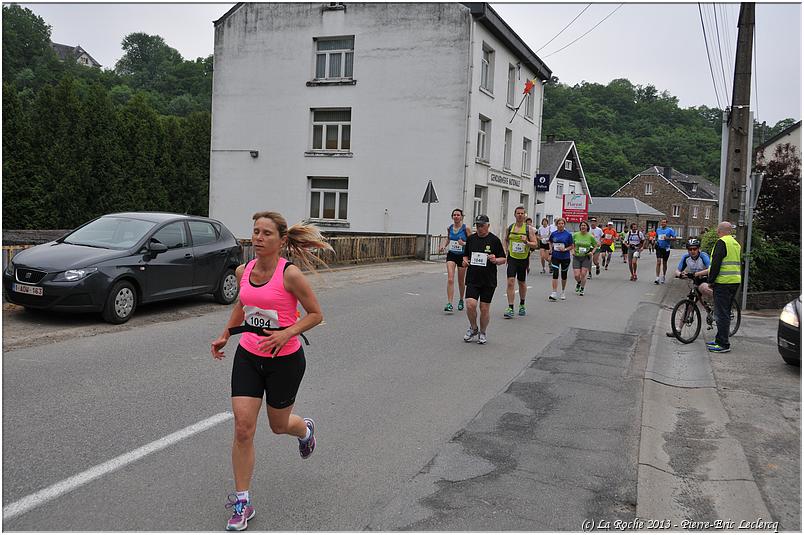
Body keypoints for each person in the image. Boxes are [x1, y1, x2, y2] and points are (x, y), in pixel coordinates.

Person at [211, 211, 332, 531]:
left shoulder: (290, 275)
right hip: (249, 355)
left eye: (266, 233)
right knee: (243, 428)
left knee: (278, 426)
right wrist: (226, 333)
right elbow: (243, 304)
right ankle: (242, 501)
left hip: (285, 360)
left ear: (281, 241)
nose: (259, 238)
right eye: (256, 232)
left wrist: (287, 332)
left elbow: (316, 314)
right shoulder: (244, 270)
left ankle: (304, 431)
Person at [462, 214, 506, 344]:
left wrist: (495, 260)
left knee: (484, 308)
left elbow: (503, 259)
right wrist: (465, 261)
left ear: (488, 226)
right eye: (477, 225)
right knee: (470, 305)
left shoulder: (494, 240)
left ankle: (483, 332)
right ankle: (474, 328)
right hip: (472, 278)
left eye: (482, 225)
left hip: (488, 280)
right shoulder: (471, 239)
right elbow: (465, 256)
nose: (479, 228)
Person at [703, 221, 742, 353]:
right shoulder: (735, 243)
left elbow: (716, 263)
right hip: (734, 281)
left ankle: (723, 344)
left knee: (722, 313)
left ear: (719, 231)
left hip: (723, 282)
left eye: (717, 231)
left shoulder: (721, 242)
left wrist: (710, 281)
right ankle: (719, 339)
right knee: (725, 311)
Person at [503, 206, 537, 318]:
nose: (520, 215)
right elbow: (506, 239)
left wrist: (526, 242)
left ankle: (522, 304)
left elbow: (535, 244)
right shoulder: (510, 228)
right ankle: (510, 307)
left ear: (525, 215)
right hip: (512, 258)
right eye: (518, 213)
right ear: (515, 214)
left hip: (523, 259)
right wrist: (506, 251)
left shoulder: (529, 229)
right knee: (510, 282)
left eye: (522, 213)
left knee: (521, 282)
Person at [438, 208, 471, 313]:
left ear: (461, 217)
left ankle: (461, 299)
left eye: (458, 215)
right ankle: (450, 303)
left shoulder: (466, 228)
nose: (456, 217)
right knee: (450, 279)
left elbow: (472, 242)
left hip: (462, 256)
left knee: (461, 281)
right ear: (452, 217)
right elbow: (448, 238)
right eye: (454, 215)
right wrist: (443, 245)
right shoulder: (450, 228)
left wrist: (464, 244)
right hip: (451, 255)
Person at [548, 217, 574, 301]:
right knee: (555, 273)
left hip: (565, 257)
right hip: (555, 256)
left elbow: (572, 246)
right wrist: (551, 249)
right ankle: (554, 292)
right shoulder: (554, 234)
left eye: (562, 223)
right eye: (559, 223)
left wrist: (565, 249)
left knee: (563, 275)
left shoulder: (568, 234)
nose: (561, 225)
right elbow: (550, 241)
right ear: (556, 225)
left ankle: (563, 291)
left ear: (564, 224)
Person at [572, 221, 597, 296]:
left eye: (584, 225)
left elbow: (596, 246)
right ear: (580, 227)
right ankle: (579, 283)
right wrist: (572, 250)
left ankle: (582, 288)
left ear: (587, 227)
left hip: (586, 257)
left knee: (583, 274)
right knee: (576, 275)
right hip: (576, 256)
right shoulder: (575, 235)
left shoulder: (590, 236)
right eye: (582, 225)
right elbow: (571, 244)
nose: (583, 227)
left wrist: (592, 252)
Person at [654, 218, 678, 284]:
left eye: (664, 222)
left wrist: (668, 238)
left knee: (664, 263)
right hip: (659, 247)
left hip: (666, 248)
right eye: (662, 222)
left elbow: (675, 238)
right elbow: (656, 237)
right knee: (658, 262)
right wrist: (655, 241)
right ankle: (657, 278)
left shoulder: (670, 230)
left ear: (666, 223)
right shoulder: (658, 229)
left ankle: (663, 276)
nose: (663, 223)